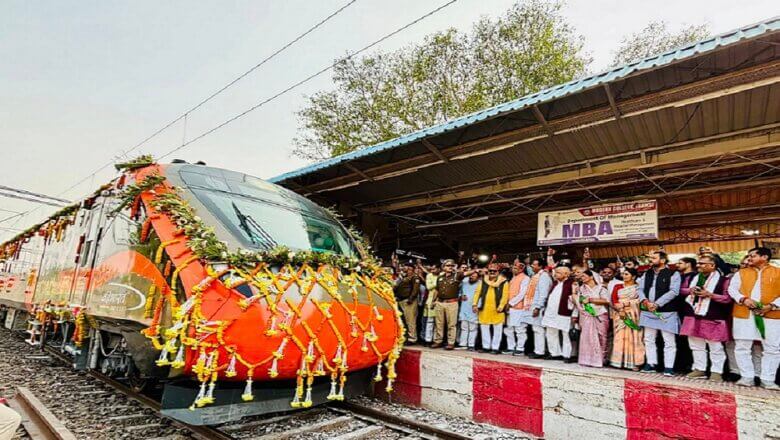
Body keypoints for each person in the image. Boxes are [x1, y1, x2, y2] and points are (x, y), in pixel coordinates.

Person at [727, 247, 780, 389]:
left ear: (764, 257)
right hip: (744, 313)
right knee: (742, 346)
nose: (749, 258)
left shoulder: (778, 272)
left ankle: (768, 379)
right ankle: (747, 377)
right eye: (748, 256)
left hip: (771, 314)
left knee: (772, 348)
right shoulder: (741, 273)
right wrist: (743, 299)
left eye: (753, 255)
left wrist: (772, 306)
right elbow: (732, 290)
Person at [680, 255, 732, 382]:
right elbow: (681, 291)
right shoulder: (693, 277)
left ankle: (717, 371)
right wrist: (690, 290)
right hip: (692, 314)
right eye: (698, 263)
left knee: (715, 345)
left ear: (712, 266)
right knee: (695, 344)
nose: (698, 265)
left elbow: (727, 299)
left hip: (713, 315)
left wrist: (709, 294)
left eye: (702, 263)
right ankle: (699, 369)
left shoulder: (724, 280)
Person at [638, 250, 682, 376]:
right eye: (650, 257)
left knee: (668, 341)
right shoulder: (647, 273)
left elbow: (674, 291)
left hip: (666, 311)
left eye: (654, 257)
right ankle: (650, 364)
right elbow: (640, 289)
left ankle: (669, 367)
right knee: (648, 339)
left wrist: (657, 304)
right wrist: (645, 301)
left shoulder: (674, 273)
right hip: (648, 311)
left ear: (662, 260)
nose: (650, 259)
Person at [515, 258, 552, 359]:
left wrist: (538, 307)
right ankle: (537, 350)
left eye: (534, 265)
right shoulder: (536, 276)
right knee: (535, 329)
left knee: (538, 329)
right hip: (532, 306)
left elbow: (543, 294)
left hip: (538, 307)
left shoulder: (543, 277)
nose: (532, 266)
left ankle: (540, 352)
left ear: (540, 266)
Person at [572, 270, 610, 367]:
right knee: (587, 337)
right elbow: (577, 302)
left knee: (602, 336)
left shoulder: (601, 288)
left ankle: (601, 359)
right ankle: (588, 360)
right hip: (586, 315)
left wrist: (590, 300)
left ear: (591, 277)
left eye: (584, 276)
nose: (582, 278)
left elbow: (606, 300)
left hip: (600, 314)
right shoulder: (581, 289)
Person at [609, 268, 645, 370]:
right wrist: (620, 309)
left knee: (635, 337)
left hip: (634, 315)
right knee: (620, 336)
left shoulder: (638, 288)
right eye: (623, 274)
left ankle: (635, 363)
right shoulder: (618, 286)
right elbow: (614, 300)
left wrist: (627, 304)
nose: (624, 276)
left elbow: (639, 301)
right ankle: (618, 361)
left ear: (633, 276)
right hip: (620, 314)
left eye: (626, 274)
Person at [472, 264, 509, 354]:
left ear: (498, 272)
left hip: (497, 309)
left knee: (497, 329)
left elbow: (505, 295)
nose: (492, 273)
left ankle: (495, 348)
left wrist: (501, 306)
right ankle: (486, 347)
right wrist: (474, 304)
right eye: (490, 271)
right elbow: (477, 293)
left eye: (494, 271)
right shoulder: (483, 281)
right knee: (484, 328)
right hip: (485, 308)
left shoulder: (504, 282)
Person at [542, 266, 576, 362]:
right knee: (551, 333)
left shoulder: (571, 283)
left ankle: (567, 355)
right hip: (551, 313)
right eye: (556, 272)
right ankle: (555, 353)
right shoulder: (555, 283)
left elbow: (573, 298)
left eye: (558, 273)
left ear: (566, 274)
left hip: (564, 312)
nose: (556, 274)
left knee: (566, 334)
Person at [432, 259, 466, 350]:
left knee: (451, 324)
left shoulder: (457, 275)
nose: (450, 267)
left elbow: (467, 273)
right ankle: (438, 341)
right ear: (443, 267)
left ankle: (451, 343)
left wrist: (476, 270)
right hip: (440, 302)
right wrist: (433, 301)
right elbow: (436, 290)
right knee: (439, 323)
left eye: (452, 265)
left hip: (452, 303)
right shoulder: (440, 277)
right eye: (448, 265)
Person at [503, 262, 530, 355]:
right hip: (510, 307)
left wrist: (510, 303)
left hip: (519, 308)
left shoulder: (526, 278)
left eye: (516, 268)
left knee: (520, 329)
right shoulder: (513, 277)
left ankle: (520, 348)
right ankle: (511, 347)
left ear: (521, 269)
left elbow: (522, 293)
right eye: (513, 268)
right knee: (509, 328)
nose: (513, 269)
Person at [393, 262, 422, 345]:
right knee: (404, 320)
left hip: (409, 301)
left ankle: (412, 338)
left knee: (410, 320)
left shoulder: (414, 277)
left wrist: (411, 299)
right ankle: (405, 337)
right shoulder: (403, 277)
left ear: (411, 269)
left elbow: (415, 289)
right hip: (401, 300)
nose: (404, 268)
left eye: (406, 267)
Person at [457, 270, 481, 351]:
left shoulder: (480, 283)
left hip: (474, 308)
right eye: (470, 276)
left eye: (474, 276)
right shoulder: (464, 281)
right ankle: (463, 344)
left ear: (478, 277)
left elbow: (482, 296)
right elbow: (459, 291)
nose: (471, 277)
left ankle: (471, 345)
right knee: (464, 327)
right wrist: (460, 296)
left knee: (473, 328)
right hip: (464, 307)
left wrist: (478, 306)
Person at [421, 265, 440, 345]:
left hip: (441, 301)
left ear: (439, 269)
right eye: (431, 269)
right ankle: (428, 340)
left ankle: (436, 340)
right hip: (430, 301)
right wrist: (439, 281)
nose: (432, 270)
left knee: (438, 323)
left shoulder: (442, 275)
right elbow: (429, 287)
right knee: (430, 321)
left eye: (434, 269)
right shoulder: (429, 275)